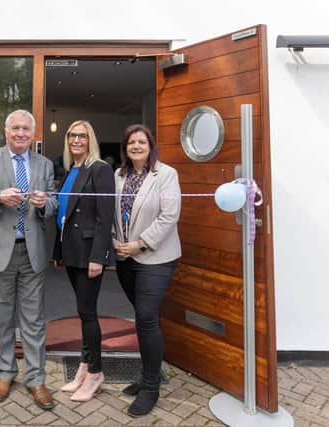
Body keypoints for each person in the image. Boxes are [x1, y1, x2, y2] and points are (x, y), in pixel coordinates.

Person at [0, 109, 57, 410]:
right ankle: (4, 373)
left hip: (32, 253)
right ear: (6, 131)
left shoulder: (44, 164)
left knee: (33, 320)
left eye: (26, 129)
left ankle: (36, 379)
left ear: (33, 134)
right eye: (15, 128)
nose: (20, 134)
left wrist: (46, 204)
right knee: (0, 319)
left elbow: (55, 201)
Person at [113, 124, 181, 417]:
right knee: (142, 320)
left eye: (142, 142)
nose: (136, 146)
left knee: (146, 318)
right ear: (125, 148)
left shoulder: (165, 175)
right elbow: (111, 213)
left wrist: (140, 244)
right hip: (124, 259)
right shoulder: (118, 175)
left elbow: (170, 216)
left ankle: (151, 387)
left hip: (155, 258)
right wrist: (114, 239)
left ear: (150, 146)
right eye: (131, 143)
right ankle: (145, 374)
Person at [53, 120, 115, 401]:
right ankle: (83, 367)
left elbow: (105, 218)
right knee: (82, 312)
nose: (76, 140)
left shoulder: (100, 170)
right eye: (72, 135)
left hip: (89, 253)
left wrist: (98, 257)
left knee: (88, 314)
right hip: (72, 252)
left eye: (82, 135)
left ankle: (96, 373)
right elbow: (64, 215)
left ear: (90, 139)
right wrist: (58, 251)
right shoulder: (71, 170)